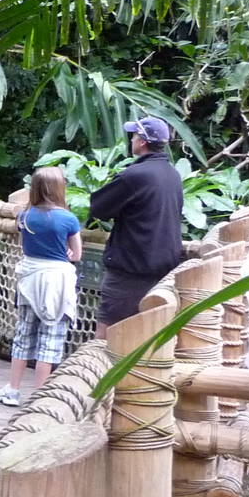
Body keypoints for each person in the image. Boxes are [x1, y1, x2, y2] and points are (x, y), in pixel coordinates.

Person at [90, 116, 184, 339]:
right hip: (164, 272)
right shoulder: (173, 174)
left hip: (131, 271)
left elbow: (98, 208)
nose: (131, 139)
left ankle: (99, 364)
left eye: (133, 136)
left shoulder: (135, 175)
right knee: (147, 336)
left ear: (142, 142)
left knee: (106, 336)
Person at [0, 166, 82, 407]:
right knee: (50, 338)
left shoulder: (25, 216)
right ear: (59, 188)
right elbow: (76, 254)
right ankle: (39, 396)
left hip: (30, 280)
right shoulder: (69, 219)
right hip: (56, 282)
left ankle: (13, 389)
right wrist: (66, 252)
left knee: (24, 335)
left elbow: (27, 246)